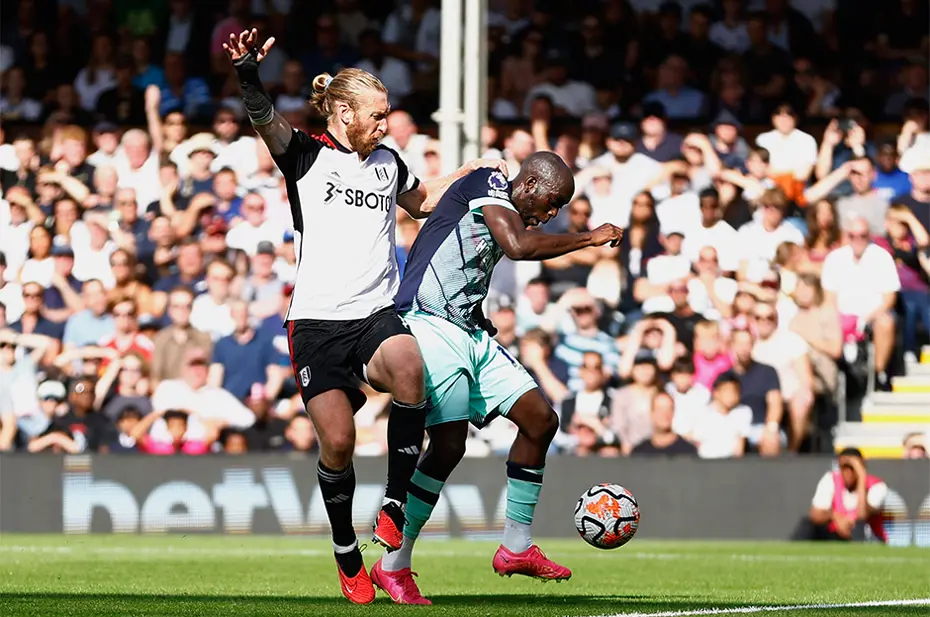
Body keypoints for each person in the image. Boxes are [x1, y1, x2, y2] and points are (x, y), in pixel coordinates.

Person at [224, 28, 505, 603]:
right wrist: (249, 76)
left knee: (409, 370)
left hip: (374, 313)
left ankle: (395, 505)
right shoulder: (305, 157)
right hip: (318, 325)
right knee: (339, 444)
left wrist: (469, 172)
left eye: (388, 114)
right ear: (345, 111)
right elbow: (264, 119)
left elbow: (422, 202)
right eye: (377, 115)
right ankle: (346, 551)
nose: (386, 124)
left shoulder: (387, 162)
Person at [374, 151, 623, 603]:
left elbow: (462, 261)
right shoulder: (489, 182)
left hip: (467, 329)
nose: (550, 214)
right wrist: (589, 237)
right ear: (528, 184)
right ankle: (393, 565)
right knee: (448, 445)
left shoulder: (503, 205)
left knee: (540, 420)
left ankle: (515, 547)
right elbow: (519, 247)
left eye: (558, 210)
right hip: (426, 323)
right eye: (550, 203)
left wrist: (478, 313)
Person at [803, 448, 888, 542]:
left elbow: (862, 515)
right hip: (838, 534)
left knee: (858, 527)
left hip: (868, 537)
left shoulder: (877, 486)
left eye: (852, 468)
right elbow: (815, 514)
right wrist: (835, 516)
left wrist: (861, 478)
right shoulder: (831, 479)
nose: (848, 473)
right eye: (844, 468)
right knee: (807, 525)